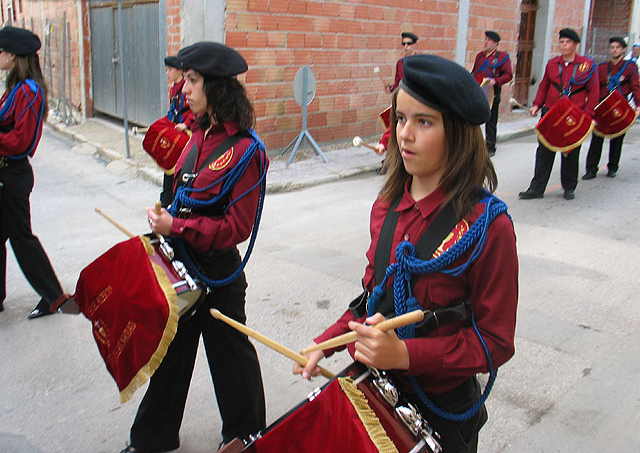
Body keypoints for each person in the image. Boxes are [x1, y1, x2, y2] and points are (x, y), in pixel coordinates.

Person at [294, 54, 518, 453]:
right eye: (400, 119)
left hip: (442, 410)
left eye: (424, 122)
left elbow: (495, 342)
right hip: (377, 391)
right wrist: (324, 343)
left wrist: (406, 354)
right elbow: (371, 299)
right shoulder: (386, 206)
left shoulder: (488, 226)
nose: (404, 134)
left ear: (458, 133)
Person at [121, 42, 268, 453]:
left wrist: (178, 225)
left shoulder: (246, 151)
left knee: (231, 357)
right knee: (171, 353)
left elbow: (236, 226)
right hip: (182, 265)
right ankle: (153, 438)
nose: (184, 88)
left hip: (218, 272)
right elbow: (182, 191)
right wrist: (165, 219)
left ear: (217, 87)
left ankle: (246, 433)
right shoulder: (197, 135)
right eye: (186, 79)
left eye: (192, 80)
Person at [0, 26, 70, 319]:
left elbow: (22, 142)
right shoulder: (15, 87)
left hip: (12, 176)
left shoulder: (29, 90)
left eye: (1, 51)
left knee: (22, 239)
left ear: (14, 56)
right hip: (6, 174)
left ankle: (54, 297)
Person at [519, 28, 598, 200]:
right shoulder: (552, 64)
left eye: (567, 42)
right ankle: (536, 188)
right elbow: (544, 86)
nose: (563, 45)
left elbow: (593, 91)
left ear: (575, 44)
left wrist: (588, 115)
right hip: (551, 112)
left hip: (573, 114)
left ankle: (569, 187)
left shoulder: (587, 66)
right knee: (544, 151)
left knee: (570, 150)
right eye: (561, 42)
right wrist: (536, 105)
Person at [582, 36, 640, 180]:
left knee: (617, 136)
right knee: (597, 136)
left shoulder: (631, 67)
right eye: (612, 47)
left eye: (617, 47)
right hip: (602, 105)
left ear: (623, 49)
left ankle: (613, 167)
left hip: (620, 105)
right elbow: (594, 88)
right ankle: (591, 169)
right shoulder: (601, 68)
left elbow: (635, 87)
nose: (614, 50)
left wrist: (639, 104)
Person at [374, 32, 420, 158]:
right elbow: (397, 82)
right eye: (403, 43)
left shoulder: (420, 62)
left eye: (409, 43)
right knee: (394, 123)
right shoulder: (400, 63)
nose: (406, 46)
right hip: (402, 99)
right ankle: (390, 155)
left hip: (416, 101)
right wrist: (390, 88)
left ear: (415, 45)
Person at [159, 55, 194, 207]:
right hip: (176, 132)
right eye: (166, 70)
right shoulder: (173, 88)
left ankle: (177, 200)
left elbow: (194, 110)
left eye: (170, 70)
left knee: (181, 168)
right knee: (168, 163)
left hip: (187, 134)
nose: (167, 73)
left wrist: (186, 124)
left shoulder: (186, 88)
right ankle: (166, 198)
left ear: (179, 70)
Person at [471, 30, 513, 157]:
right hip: (478, 91)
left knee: (490, 120)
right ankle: (474, 144)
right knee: (474, 118)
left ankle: (490, 146)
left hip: (492, 92)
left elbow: (508, 75)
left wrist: (496, 81)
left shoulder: (502, 57)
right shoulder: (480, 56)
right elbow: (474, 72)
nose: (486, 42)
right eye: (485, 39)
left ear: (495, 43)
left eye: (488, 40)